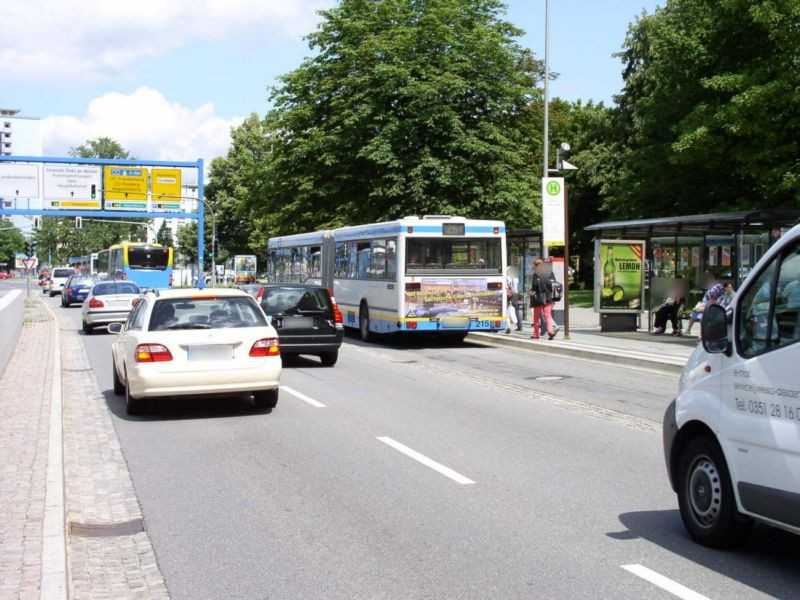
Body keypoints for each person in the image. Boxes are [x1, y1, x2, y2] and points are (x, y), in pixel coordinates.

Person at [529, 259, 558, 340]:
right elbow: (554, 284)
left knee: (536, 317)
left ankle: (536, 334)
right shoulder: (550, 273)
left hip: (538, 298)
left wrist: (531, 300)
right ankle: (550, 331)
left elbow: (534, 287)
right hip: (549, 297)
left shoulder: (536, 274)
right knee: (548, 316)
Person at [505, 266, 522, 334]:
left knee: (508, 311)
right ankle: (518, 325)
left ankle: (511, 325)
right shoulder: (516, 278)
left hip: (509, 296)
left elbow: (507, 287)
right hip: (515, 295)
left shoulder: (507, 278)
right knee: (515, 310)